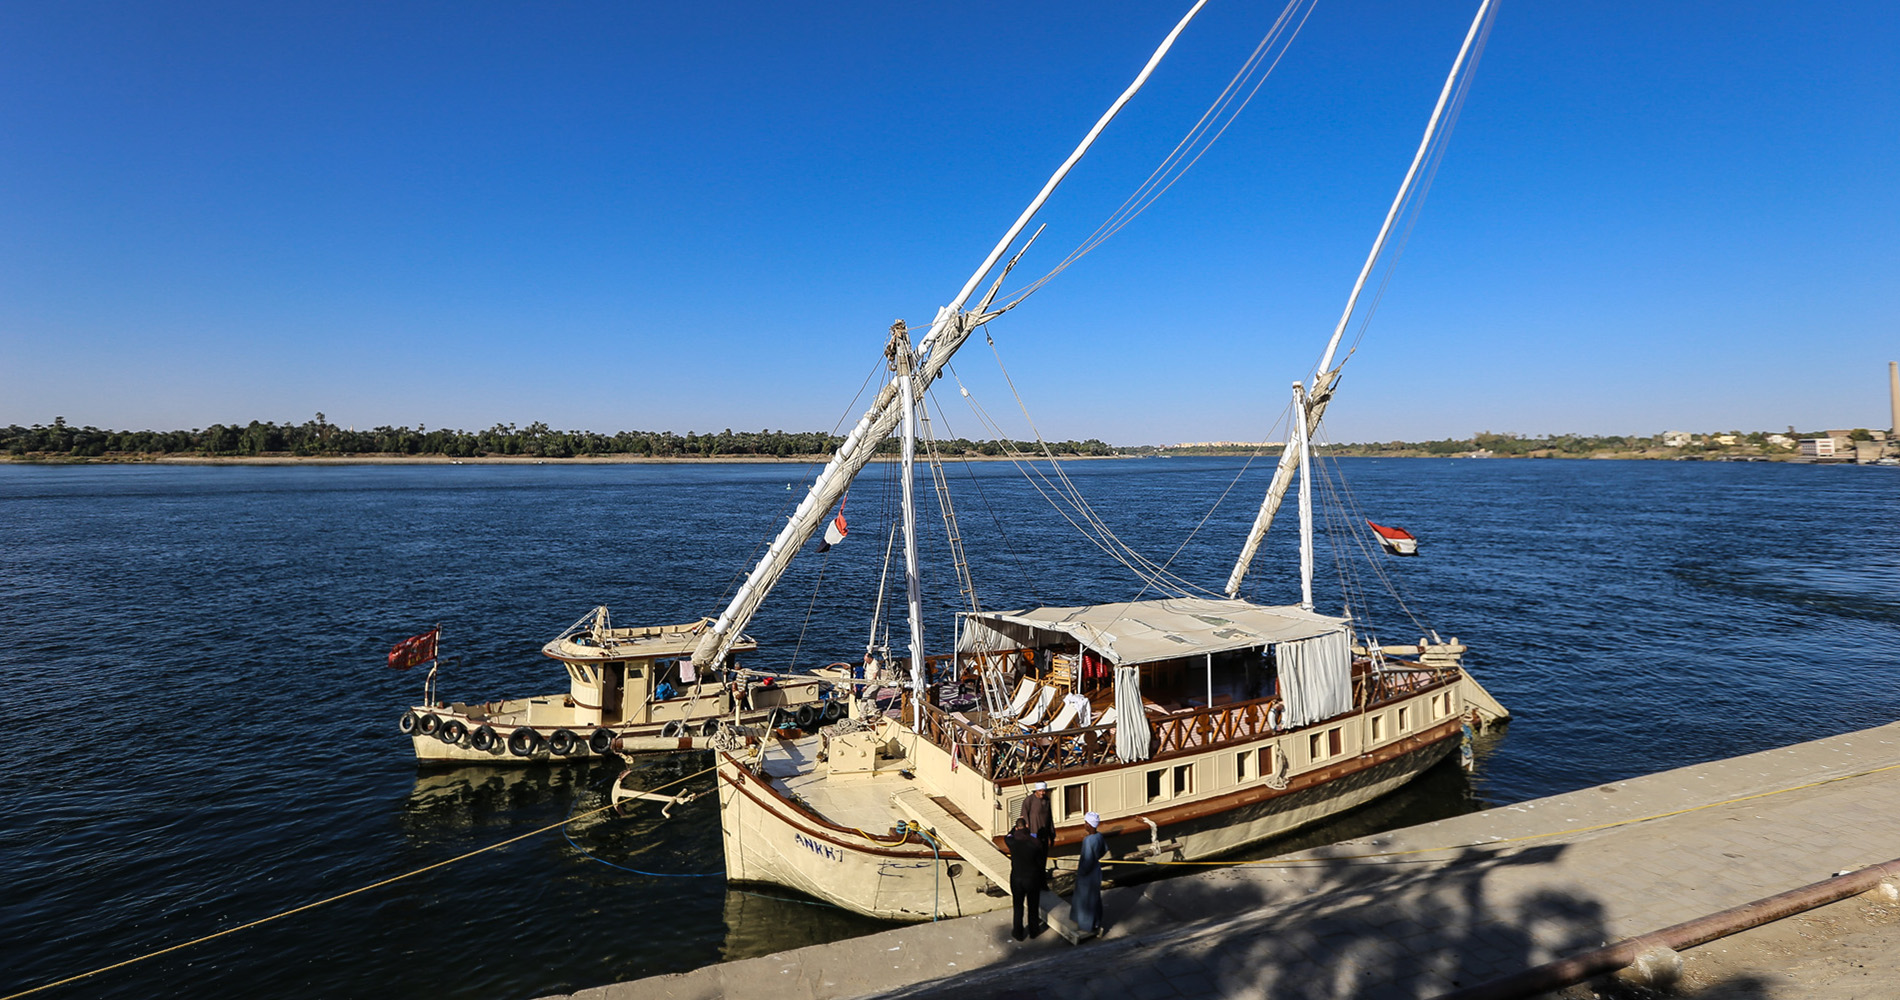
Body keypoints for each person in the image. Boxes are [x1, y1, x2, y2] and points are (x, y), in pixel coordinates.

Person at [1003, 817, 1046, 940]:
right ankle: (1034, 931)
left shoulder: (1012, 842)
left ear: (1017, 828)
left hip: (1016, 879)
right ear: (1027, 826)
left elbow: (1007, 836)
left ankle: (1018, 932)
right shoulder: (1035, 842)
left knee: (1018, 906)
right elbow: (1040, 860)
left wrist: (1014, 829)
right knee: (1033, 906)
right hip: (1032, 878)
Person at [1020, 781, 1054, 916]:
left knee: (1043, 860)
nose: (1042, 793)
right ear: (1036, 791)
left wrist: (1052, 833)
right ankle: (1033, 884)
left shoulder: (1046, 801)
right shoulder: (1028, 800)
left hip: (1044, 835)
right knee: (1034, 861)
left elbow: (1049, 818)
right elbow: (1024, 817)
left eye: (1044, 791)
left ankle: (1042, 883)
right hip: (1033, 835)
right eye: (1040, 791)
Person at [1071, 811, 1106, 936]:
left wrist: (1081, 872)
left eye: (1086, 822)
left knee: (1085, 899)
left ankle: (1086, 925)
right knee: (1094, 897)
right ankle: (1096, 921)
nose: (1084, 825)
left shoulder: (1088, 840)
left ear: (1089, 825)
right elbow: (1103, 850)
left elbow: (1086, 860)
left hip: (1087, 873)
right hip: (1096, 870)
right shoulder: (1099, 836)